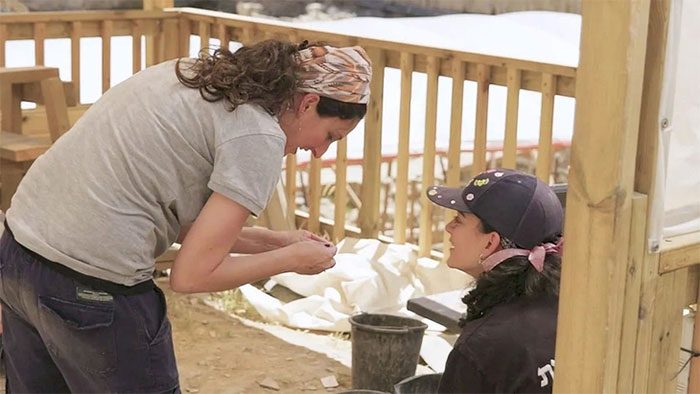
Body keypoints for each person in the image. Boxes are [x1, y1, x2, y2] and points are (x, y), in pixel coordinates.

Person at [0, 39, 371, 392]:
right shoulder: (258, 135)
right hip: (91, 283)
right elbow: (191, 275)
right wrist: (288, 260)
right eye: (331, 136)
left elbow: (172, 218)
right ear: (307, 103)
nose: (320, 152)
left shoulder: (193, 76)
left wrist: (275, 241)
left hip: (19, 252)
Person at [426, 168, 564, 393]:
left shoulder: (481, 348)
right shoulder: (571, 309)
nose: (448, 227)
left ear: (490, 243)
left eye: (459, 220)